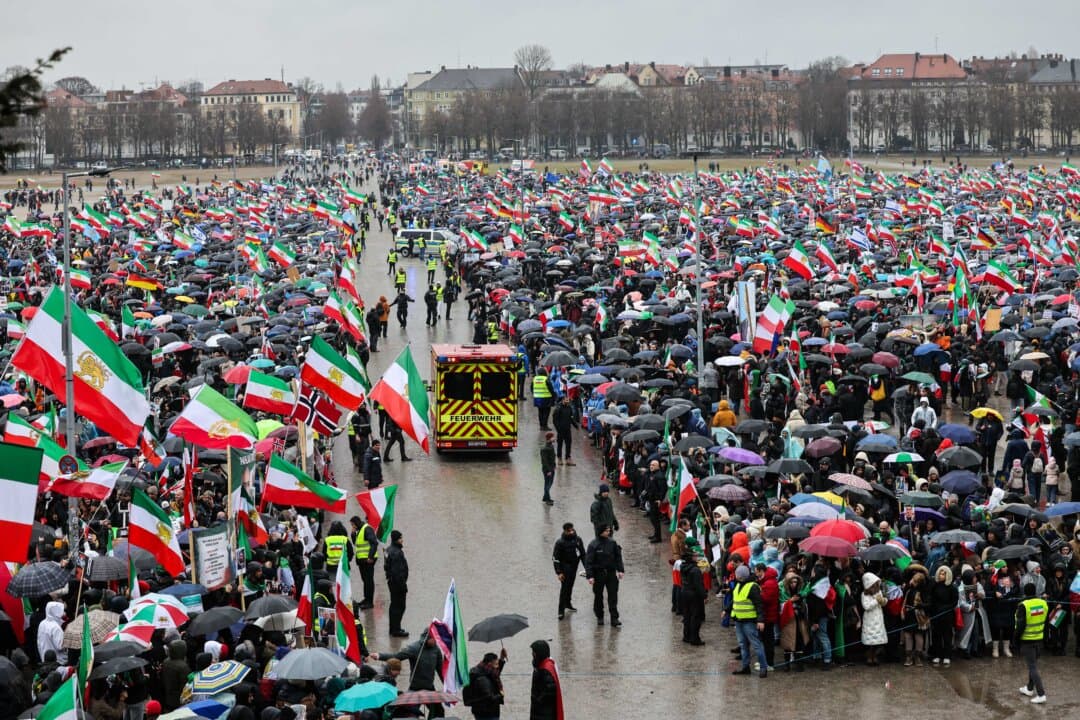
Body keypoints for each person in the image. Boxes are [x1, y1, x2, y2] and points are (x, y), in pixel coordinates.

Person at [374, 633, 445, 717]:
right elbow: (397, 656)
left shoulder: (436, 650)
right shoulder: (414, 648)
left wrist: (447, 684)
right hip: (415, 688)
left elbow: (441, 670)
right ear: (427, 638)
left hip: (429, 688)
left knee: (439, 711)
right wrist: (379, 656)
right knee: (411, 713)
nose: (435, 641)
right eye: (433, 639)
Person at [730, 564, 769, 678]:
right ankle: (746, 667)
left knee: (756, 645)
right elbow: (735, 601)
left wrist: (760, 620)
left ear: (739, 575)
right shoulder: (738, 585)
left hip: (749, 621)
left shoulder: (752, 586)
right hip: (739, 620)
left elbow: (759, 605)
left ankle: (763, 668)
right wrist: (727, 611)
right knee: (743, 645)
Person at [1015, 582, 1048, 704]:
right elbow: (1046, 620)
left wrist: (1016, 640)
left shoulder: (1023, 605)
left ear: (1025, 592)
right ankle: (1029, 688)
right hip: (1039, 638)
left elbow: (1020, 626)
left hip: (1027, 640)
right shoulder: (1043, 603)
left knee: (1032, 667)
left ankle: (1041, 694)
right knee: (1033, 664)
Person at [585, 524, 624, 627]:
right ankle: (600, 616)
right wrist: (590, 576)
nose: (609, 532)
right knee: (598, 596)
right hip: (598, 574)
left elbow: (618, 557)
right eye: (607, 530)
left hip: (611, 573)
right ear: (601, 531)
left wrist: (620, 570)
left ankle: (614, 618)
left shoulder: (612, 543)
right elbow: (589, 562)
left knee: (613, 596)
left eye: (609, 530)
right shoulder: (593, 545)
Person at [552, 522, 586, 620]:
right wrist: (559, 572)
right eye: (569, 531)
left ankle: (568, 603)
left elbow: (583, 554)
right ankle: (560, 610)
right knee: (564, 588)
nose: (571, 532)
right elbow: (556, 558)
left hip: (574, 566)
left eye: (572, 530)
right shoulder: (560, 543)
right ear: (565, 531)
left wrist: (587, 567)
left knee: (570, 585)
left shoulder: (578, 540)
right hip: (565, 567)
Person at [464, 650, 507, 720]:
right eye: (496, 664)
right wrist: (500, 695)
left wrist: (502, 659)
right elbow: (489, 698)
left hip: (482, 711)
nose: (497, 666)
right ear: (490, 664)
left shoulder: (485, 670)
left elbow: (495, 673)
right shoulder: (483, 679)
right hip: (487, 714)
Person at [680, 538, 707, 645]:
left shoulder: (683, 567)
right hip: (694, 595)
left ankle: (686, 635)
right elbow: (698, 585)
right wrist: (704, 595)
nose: (697, 557)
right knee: (696, 617)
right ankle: (695, 638)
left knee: (687, 615)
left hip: (685, 592)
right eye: (695, 556)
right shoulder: (695, 570)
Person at [384, 529, 409, 637]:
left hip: (391, 582)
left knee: (394, 605)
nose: (402, 540)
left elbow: (386, 566)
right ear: (397, 539)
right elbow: (397, 571)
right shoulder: (397, 553)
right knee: (399, 606)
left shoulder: (388, 550)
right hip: (397, 584)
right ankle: (396, 629)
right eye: (401, 538)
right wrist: (403, 585)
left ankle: (393, 628)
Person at [529, 640, 562, 720]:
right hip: (540, 713)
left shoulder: (545, 669)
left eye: (534, 651)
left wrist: (537, 700)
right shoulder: (541, 666)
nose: (532, 654)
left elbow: (549, 691)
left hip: (544, 715)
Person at [351, 515, 379, 609]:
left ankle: (369, 602)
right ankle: (366, 599)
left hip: (368, 560)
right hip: (362, 561)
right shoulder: (360, 530)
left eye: (353, 525)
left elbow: (374, 543)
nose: (352, 527)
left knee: (368, 581)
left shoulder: (367, 529)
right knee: (365, 581)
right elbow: (356, 543)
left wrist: (370, 557)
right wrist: (353, 534)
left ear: (356, 523)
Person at [860, 572, 888, 666]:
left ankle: (875, 656)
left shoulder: (879, 592)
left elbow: (883, 603)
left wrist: (883, 601)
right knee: (870, 642)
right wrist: (876, 600)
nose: (876, 587)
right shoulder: (864, 595)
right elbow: (866, 606)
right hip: (869, 619)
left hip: (878, 619)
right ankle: (869, 657)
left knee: (877, 641)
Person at [551, 396, 575, 465]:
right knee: (560, 444)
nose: (567, 401)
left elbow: (570, 417)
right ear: (562, 400)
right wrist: (558, 428)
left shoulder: (569, 408)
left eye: (568, 400)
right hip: (560, 430)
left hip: (568, 429)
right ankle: (559, 458)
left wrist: (575, 425)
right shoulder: (558, 408)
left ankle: (568, 458)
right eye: (566, 400)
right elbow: (555, 420)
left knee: (568, 444)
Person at [540, 433, 556, 505]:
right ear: (550, 438)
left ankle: (545, 497)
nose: (555, 438)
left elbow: (552, 457)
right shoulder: (544, 449)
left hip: (551, 468)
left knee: (550, 483)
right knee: (547, 484)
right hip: (548, 469)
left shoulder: (551, 446)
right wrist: (549, 470)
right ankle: (547, 499)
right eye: (553, 437)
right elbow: (544, 461)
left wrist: (554, 465)